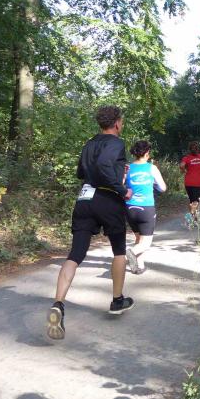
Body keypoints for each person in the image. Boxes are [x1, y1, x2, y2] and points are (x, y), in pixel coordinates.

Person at [46, 106, 135, 341]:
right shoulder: (116, 142)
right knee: (119, 250)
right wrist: (122, 189)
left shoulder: (89, 144)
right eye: (122, 121)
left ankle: (58, 304)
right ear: (117, 123)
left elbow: (81, 171)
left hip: (85, 199)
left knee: (75, 254)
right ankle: (117, 300)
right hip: (108, 199)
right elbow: (104, 165)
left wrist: (117, 169)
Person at [124, 140, 167, 274]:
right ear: (147, 152)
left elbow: (120, 185)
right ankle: (131, 252)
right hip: (146, 208)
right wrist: (153, 184)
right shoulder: (151, 168)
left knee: (139, 238)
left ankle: (139, 266)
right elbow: (163, 188)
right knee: (146, 243)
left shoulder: (128, 167)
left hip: (130, 208)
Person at [180, 141, 200, 223]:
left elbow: (181, 165)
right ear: (198, 149)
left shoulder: (186, 158)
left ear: (190, 149)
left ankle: (194, 217)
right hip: (198, 182)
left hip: (188, 182)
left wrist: (184, 170)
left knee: (191, 200)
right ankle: (191, 216)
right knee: (196, 201)